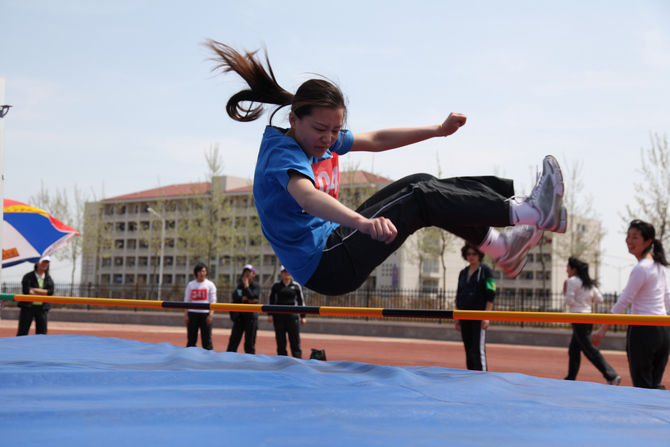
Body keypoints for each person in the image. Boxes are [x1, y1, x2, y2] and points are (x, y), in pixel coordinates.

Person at [207, 41, 567, 296]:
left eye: (336, 130)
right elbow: (308, 197)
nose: (328, 139)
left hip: (334, 242)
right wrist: (363, 223)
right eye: (320, 130)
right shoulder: (281, 153)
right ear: (293, 119)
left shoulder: (322, 138)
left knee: (421, 183)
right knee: (421, 197)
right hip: (324, 263)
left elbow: (377, 139)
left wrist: (437, 130)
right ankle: (529, 211)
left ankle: (501, 247)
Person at [593, 220, 670, 389]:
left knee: (643, 387)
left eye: (635, 237)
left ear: (648, 242)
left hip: (643, 329)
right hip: (663, 330)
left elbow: (624, 301)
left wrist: (602, 330)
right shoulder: (659, 267)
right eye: (628, 236)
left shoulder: (641, 268)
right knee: (653, 385)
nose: (629, 241)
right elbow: (667, 299)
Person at [563, 257, 620, 385]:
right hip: (588, 317)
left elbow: (569, 302)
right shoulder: (588, 282)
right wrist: (586, 299)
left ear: (574, 269)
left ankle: (612, 375)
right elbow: (599, 299)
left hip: (578, 317)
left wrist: (565, 291)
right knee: (574, 350)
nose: (566, 270)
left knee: (589, 349)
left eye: (568, 267)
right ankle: (570, 379)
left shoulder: (572, 281)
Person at [454, 243, 496, 371]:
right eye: (468, 254)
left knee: (478, 349)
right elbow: (459, 294)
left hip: (479, 315)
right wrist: (458, 317)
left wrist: (486, 316)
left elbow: (491, 293)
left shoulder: (486, 271)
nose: (471, 256)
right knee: (469, 348)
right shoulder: (463, 273)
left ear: (480, 254)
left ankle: (482, 376)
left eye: (474, 253)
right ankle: (471, 374)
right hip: (464, 315)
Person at [268, 265, 306, 358]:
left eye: (288, 271)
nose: (286, 273)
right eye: (284, 271)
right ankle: (282, 358)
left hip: (292, 316)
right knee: (280, 339)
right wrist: (270, 314)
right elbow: (271, 300)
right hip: (279, 316)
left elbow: (301, 301)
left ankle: (297, 358)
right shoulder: (276, 286)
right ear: (281, 273)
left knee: (294, 338)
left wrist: (303, 316)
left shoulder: (296, 286)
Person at [227, 264, 261, 354]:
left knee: (250, 343)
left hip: (251, 317)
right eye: (245, 272)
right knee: (233, 341)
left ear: (254, 274)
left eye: (249, 272)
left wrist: (246, 286)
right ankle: (229, 358)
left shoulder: (256, 286)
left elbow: (253, 296)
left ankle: (250, 360)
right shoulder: (240, 285)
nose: (247, 274)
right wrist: (246, 298)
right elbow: (235, 297)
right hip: (240, 317)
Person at [17, 256, 55, 336]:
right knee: (23, 331)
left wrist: (34, 290)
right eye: (43, 261)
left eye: (47, 262)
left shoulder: (48, 278)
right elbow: (26, 291)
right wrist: (43, 293)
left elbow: (50, 292)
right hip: (27, 307)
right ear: (37, 262)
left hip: (42, 308)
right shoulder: (28, 276)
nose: (45, 264)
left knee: (42, 333)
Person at [183, 263, 217, 350]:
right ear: (196, 273)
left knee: (207, 340)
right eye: (200, 271)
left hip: (205, 314)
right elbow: (186, 300)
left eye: (204, 271)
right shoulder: (191, 285)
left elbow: (213, 301)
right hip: (192, 314)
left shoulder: (210, 285)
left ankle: (208, 356)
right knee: (191, 339)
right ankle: (190, 355)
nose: (202, 273)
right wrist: (186, 315)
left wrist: (210, 315)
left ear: (206, 272)